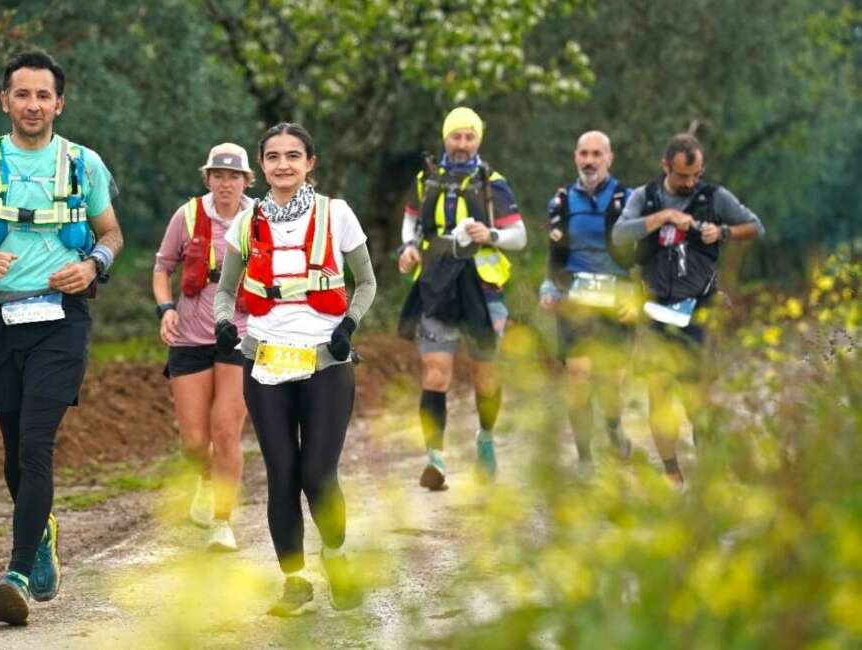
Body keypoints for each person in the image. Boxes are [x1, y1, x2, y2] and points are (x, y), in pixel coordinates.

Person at [0, 51, 122, 625]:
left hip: (63, 318)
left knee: (37, 442)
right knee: (14, 450)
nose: (33, 105)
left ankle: (14, 572)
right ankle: (42, 536)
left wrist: (94, 266)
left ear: (59, 104)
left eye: (43, 96)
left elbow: (112, 233)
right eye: (22, 94)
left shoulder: (84, 165)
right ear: (4, 101)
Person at [214, 122, 377, 616]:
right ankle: (295, 582)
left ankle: (337, 555)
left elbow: (366, 282)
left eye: (293, 156)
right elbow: (225, 291)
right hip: (265, 361)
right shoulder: (246, 222)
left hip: (326, 361)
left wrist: (348, 325)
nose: (282, 165)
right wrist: (225, 323)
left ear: (310, 163)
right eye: (272, 157)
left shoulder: (337, 214)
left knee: (318, 473)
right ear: (261, 166)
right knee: (282, 473)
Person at [612, 133, 764, 486]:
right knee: (660, 394)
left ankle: (708, 476)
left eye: (695, 175)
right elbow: (619, 235)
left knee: (700, 398)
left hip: (699, 309)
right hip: (653, 308)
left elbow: (755, 227)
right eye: (682, 176)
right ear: (665, 166)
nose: (689, 182)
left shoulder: (714, 197)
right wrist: (662, 217)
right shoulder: (643, 197)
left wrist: (721, 232)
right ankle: (671, 473)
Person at [397, 107, 527, 490]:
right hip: (436, 287)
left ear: (479, 141)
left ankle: (485, 438)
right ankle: (434, 461)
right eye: (456, 136)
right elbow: (409, 221)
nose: (462, 144)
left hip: (484, 290)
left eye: (469, 137)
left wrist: (491, 235)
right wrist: (407, 248)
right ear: (445, 138)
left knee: (485, 376)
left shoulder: (493, 183)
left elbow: (519, 236)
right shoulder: (426, 179)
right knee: (435, 374)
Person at [152, 143, 253, 552]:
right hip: (190, 335)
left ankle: (222, 521)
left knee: (226, 431)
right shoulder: (188, 215)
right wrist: (164, 309)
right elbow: (163, 267)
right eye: (218, 175)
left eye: (234, 176)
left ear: (246, 181)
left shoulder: (260, 218)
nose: (225, 183)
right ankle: (206, 479)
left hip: (243, 333)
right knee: (195, 442)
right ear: (208, 178)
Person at [539, 131, 635, 476]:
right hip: (575, 299)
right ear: (575, 157)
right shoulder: (562, 201)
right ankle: (584, 459)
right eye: (584, 153)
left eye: (597, 154)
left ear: (610, 158)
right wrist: (548, 288)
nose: (590, 160)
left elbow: (645, 254)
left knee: (610, 382)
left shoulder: (630, 199)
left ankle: (613, 428)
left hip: (616, 299)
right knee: (577, 377)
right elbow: (555, 254)